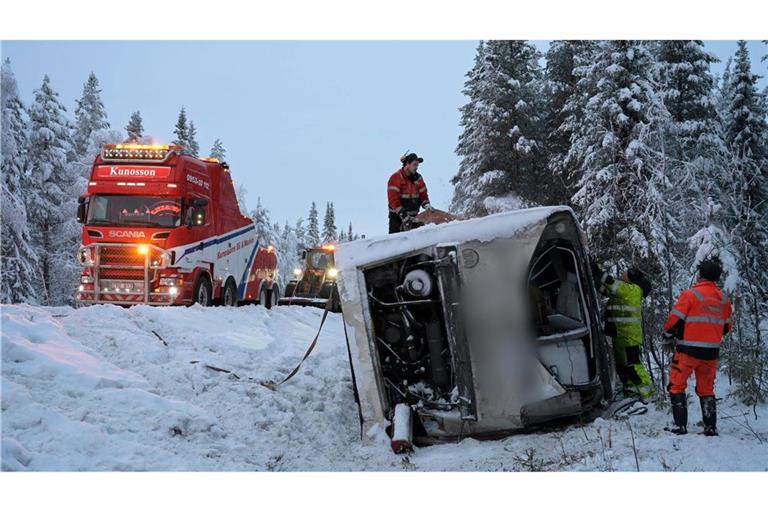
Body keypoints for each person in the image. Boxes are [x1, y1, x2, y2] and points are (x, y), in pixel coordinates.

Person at [662, 256, 732, 436]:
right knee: (706, 389)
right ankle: (710, 427)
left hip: (687, 352)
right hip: (711, 353)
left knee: (676, 386)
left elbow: (674, 320)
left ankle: (680, 426)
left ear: (700, 275)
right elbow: (726, 327)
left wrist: (667, 337)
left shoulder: (690, 295)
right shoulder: (724, 300)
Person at [590, 259, 654, 401]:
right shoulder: (624, 290)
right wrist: (593, 279)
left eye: (625, 274)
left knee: (633, 366)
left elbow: (610, 282)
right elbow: (605, 290)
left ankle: (649, 395)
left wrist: (595, 270)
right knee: (622, 366)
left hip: (628, 337)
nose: (622, 276)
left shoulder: (632, 290)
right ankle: (631, 389)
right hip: (620, 335)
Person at [387, 152, 432, 234]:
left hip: (414, 219)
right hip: (397, 220)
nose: (416, 167)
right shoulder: (396, 178)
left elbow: (423, 195)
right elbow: (393, 200)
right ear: (407, 164)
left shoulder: (418, 178)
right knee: (397, 241)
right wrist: (404, 216)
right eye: (414, 165)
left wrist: (426, 205)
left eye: (417, 165)